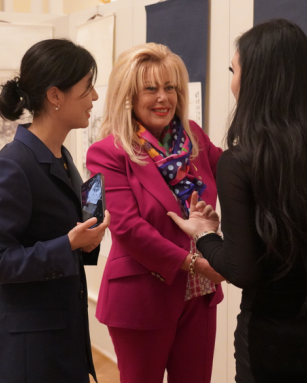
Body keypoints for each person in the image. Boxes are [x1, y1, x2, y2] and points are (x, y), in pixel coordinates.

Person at [169, 19, 307, 383]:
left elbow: (242, 270)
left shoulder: (240, 161)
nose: (232, 81)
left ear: (254, 79)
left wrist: (205, 234)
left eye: (234, 71)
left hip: (277, 350)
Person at [86, 43, 224, 383]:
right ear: (129, 96)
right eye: (150, 89)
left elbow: (237, 174)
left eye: (170, 87)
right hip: (142, 296)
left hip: (200, 294)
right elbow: (128, 228)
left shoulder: (194, 138)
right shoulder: (107, 153)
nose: (163, 98)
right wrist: (196, 263)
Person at [0, 39, 110, 383]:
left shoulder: (61, 157)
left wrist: (85, 242)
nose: (95, 97)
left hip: (61, 338)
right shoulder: (12, 165)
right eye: (87, 87)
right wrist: (68, 244)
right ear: (55, 96)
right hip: (28, 351)